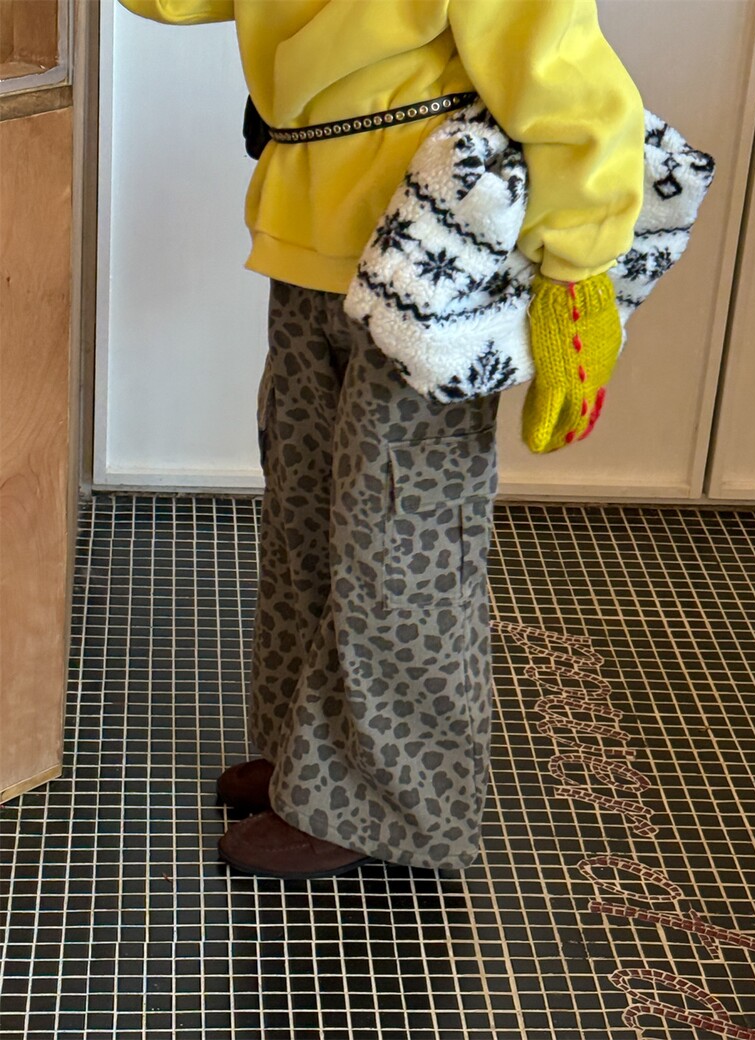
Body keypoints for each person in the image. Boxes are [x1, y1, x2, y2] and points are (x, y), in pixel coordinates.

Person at [118, 0, 645, 880]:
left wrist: (578, 267)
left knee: (402, 537)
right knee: (307, 514)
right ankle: (310, 768)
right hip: (309, 233)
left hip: (428, 250)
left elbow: (560, 70)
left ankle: (391, 806)